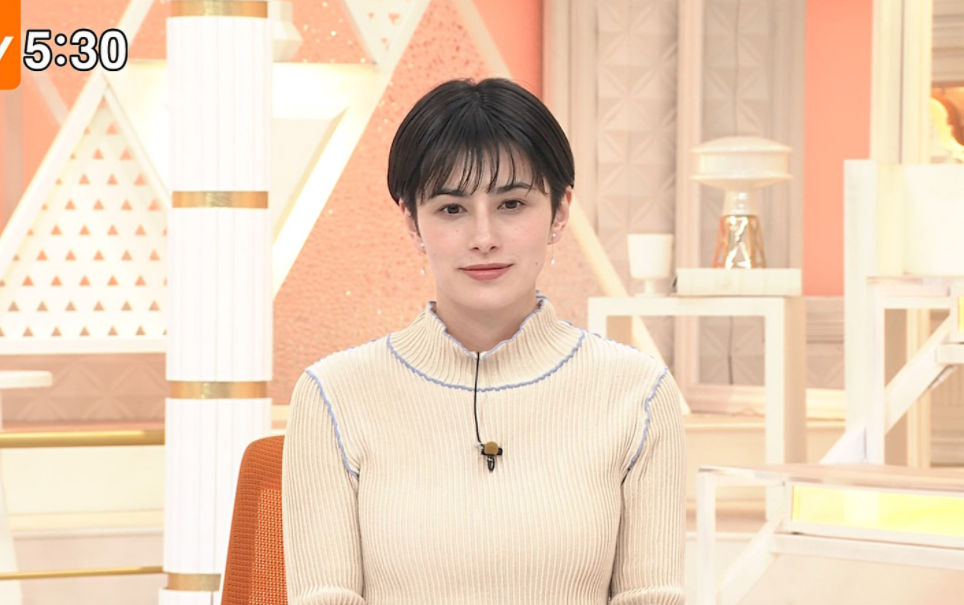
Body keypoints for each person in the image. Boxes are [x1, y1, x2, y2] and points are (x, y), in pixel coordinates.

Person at [282, 78, 687, 605]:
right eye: (452, 209)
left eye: (512, 204)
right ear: (412, 223)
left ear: (560, 212)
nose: (484, 237)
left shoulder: (639, 393)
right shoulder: (334, 395)